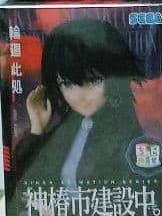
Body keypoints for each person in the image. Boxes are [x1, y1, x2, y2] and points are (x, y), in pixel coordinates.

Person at [11, 18, 146, 195]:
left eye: (94, 80)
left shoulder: (125, 137)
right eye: (67, 84)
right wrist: (37, 129)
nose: (80, 95)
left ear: (115, 78)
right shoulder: (69, 130)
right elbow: (21, 186)